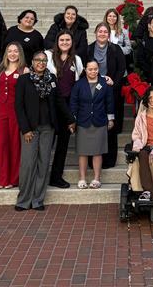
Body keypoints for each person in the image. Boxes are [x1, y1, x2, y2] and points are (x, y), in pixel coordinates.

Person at [14, 51, 76, 211]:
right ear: (32, 62)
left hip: (48, 127)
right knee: (28, 164)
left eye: (44, 60)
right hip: (30, 129)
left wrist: (70, 119)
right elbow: (19, 106)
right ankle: (23, 200)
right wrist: (25, 129)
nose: (41, 63)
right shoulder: (23, 80)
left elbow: (59, 101)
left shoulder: (52, 79)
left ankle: (37, 200)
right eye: (38, 60)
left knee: (43, 163)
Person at [45, 31, 84, 189]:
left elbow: (80, 81)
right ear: (57, 41)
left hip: (67, 106)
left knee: (63, 144)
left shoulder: (77, 59)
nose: (65, 42)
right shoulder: (48, 56)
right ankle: (40, 176)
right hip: (50, 104)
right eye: (62, 39)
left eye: (68, 40)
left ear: (72, 42)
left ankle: (56, 177)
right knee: (47, 143)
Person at [87, 24, 127, 169]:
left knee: (110, 126)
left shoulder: (115, 49)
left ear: (109, 34)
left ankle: (109, 159)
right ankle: (92, 159)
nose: (102, 34)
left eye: (105, 31)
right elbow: (84, 68)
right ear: (95, 32)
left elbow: (122, 68)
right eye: (100, 31)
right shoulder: (89, 49)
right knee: (94, 126)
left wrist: (113, 82)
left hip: (111, 91)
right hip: (93, 91)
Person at [70, 60, 115, 189]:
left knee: (97, 152)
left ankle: (96, 179)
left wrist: (110, 119)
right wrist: (72, 120)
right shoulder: (79, 84)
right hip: (83, 122)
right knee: (83, 152)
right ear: (85, 69)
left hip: (99, 121)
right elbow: (73, 103)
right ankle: (82, 179)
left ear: (98, 69)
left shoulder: (104, 83)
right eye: (90, 69)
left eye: (95, 69)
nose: (93, 71)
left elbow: (109, 102)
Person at [0, 42, 27, 189]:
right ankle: (3, 179)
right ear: (6, 53)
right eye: (10, 51)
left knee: (15, 143)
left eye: (16, 51)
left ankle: (14, 179)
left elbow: (26, 93)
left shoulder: (24, 70)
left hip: (16, 110)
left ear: (20, 53)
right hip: (1, 109)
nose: (12, 54)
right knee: (2, 143)